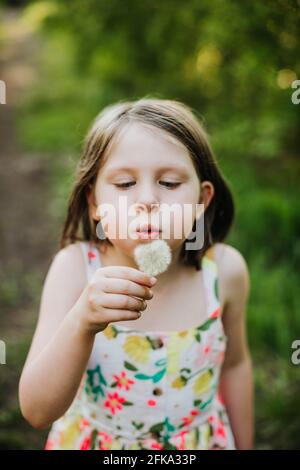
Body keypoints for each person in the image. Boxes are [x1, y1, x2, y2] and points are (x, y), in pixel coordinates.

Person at [19, 98, 254, 450]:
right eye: (125, 183)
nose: (147, 199)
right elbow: (37, 411)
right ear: (95, 203)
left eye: (170, 183)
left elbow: (235, 366)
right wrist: (81, 321)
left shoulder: (224, 270)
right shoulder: (74, 270)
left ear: (202, 201)